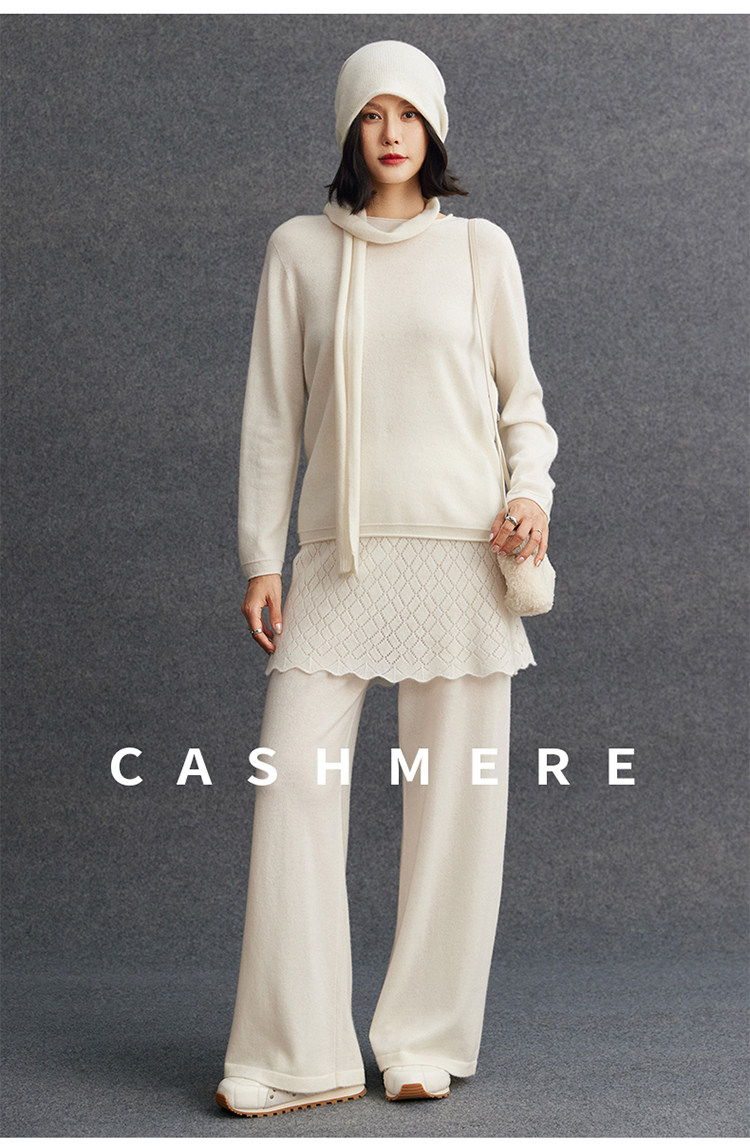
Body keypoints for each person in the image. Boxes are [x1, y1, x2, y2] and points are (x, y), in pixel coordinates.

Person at [215, 39, 558, 1118]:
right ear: (349, 129)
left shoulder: (482, 251)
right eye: (373, 113)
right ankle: (294, 1053)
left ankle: (423, 1038)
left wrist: (531, 496)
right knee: (292, 783)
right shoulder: (298, 252)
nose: (393, 131)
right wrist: (262, 555)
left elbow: (523, 407)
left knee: (456, 806)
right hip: (339, 559)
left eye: (410, 113)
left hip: (464, 555)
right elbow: (271, 417)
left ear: (435, 127)